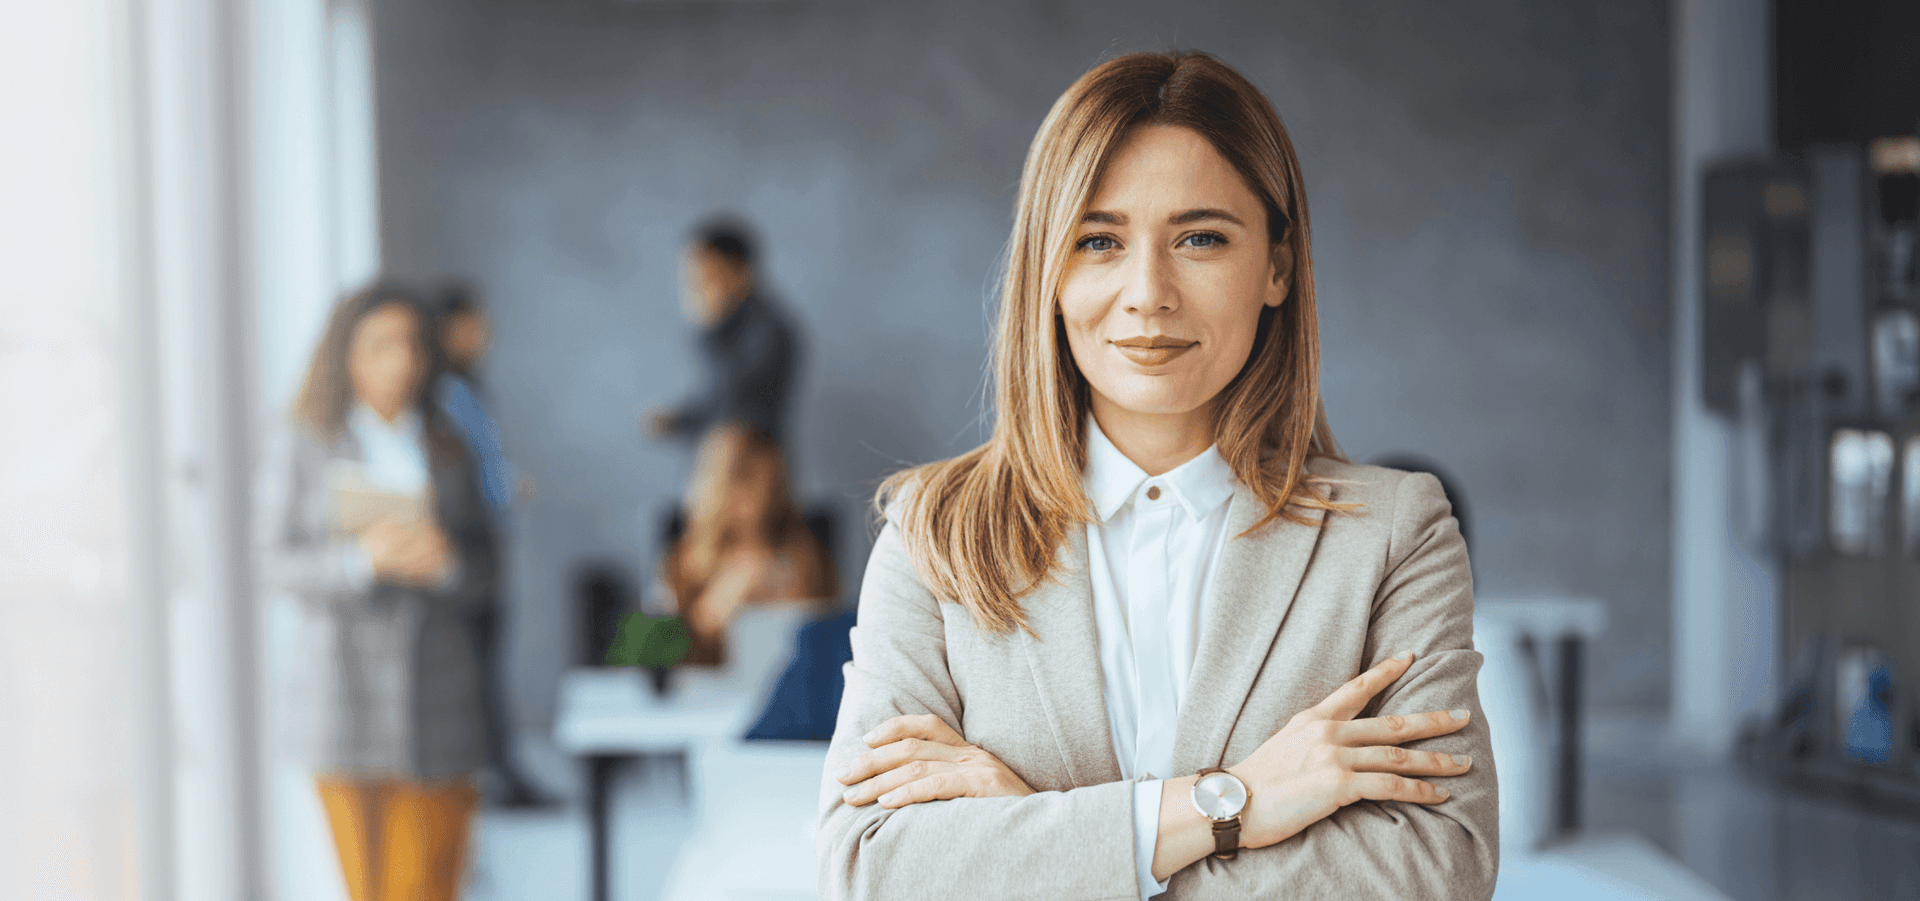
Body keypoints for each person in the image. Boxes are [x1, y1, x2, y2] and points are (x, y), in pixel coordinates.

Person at [819, 51, 1497, 900]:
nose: (1148, 292)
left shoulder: (1395, 531)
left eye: (1200, 238)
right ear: (1049, 273)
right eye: (1098, 240)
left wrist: (1042, 839)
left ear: (1278, 267)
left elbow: (1441, 869)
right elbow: (871, 865)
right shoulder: (935, 532)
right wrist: (1234, 806)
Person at [258, 283, 496, 901]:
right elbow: (275, 563)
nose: (400, 362)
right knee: (369, 889)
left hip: (440, 697)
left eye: (412, 346)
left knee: (426, 885)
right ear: (345, 355)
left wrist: (444, 565)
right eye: (381, 345)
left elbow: (490, 567)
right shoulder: (306, 443)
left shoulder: (449, 445)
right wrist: (363, 562)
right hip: (343, 698)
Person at [431, 282, 546, 807]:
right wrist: (504, 486)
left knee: (488, 671)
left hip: (486, 549)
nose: (484, 335)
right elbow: (464, 477)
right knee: (478, 676)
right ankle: (497, 780)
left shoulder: (468, 388)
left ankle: (502, 775)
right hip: (466, 556)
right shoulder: (447, 394)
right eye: (472, 324)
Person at [659, 421, 836, 666]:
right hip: (704, 691)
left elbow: (817, 631)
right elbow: (662, 643)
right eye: (742, 479)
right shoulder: (687, 553)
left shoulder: (799, 550)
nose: (756, 497)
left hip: (776, 678)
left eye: (769, 484)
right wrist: (721, 601)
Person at [644, 218, 800, 445]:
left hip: (748, 457)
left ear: (741, 272)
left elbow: (733, 401)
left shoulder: (766, 330)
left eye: (708, 279)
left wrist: (710, 333)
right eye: (692, 281)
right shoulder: (731, 330)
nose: (698, 291)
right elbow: (714, 397)